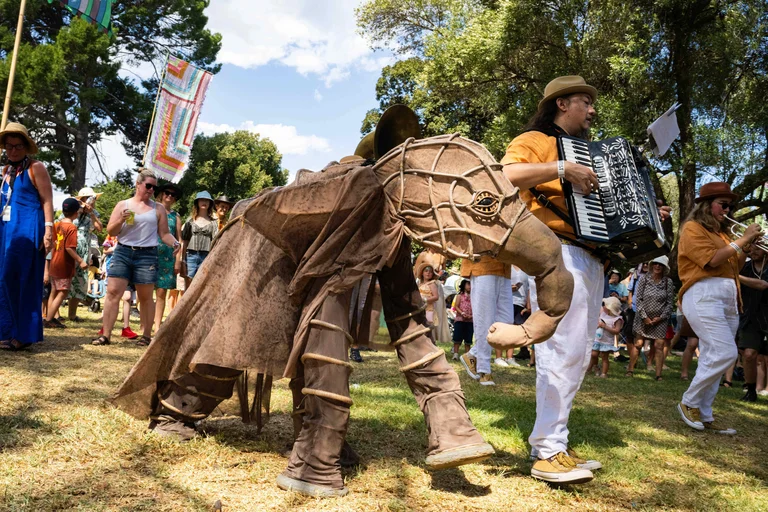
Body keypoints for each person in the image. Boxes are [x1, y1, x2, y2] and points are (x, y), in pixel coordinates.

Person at [501, 75, 671, 483]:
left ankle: (555, 441)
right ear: (562, 104)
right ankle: (546, 451)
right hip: (557, 251)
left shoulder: (594, 154)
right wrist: (562, 167)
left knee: (576, 352)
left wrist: (648, 214)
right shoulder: (536, 139)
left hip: (593, 258)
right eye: (585, 102)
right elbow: (504, 175)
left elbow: (612, 212)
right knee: (561, 349)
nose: (593, 111)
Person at [676, 182, 763, 435]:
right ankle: (688, 402)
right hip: (704, 293)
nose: (729, 209)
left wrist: (745, 247)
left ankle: (705, 415)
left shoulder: (725, 235)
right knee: (725, 353)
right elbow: (712, 260)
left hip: (728, 296)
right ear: (707, 205)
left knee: (714, 355)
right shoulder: (692, 228)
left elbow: (734, 263)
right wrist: (743, 239)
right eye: (723, 204)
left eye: (730, 205)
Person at [92, 169, 180, 347]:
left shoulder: (158, 208)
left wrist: (176, 243)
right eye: (148, 186)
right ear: (138, 184)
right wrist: (121, 220)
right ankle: (106, 335)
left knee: (146, 297)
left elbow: (164, 234)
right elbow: (111, 231)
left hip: (147, 254)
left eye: (154, 188)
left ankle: (146, 336)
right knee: (112, 293)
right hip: (123, 251)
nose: (151, 190)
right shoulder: (123, 205)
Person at [0, 122, 54, 350]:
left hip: (29, 229)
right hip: (6, 232)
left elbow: (47, 200)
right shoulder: (6, 171)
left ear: (26, 147)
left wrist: (49, 229)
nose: (13, 150)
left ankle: (24, 335)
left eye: (18, 146)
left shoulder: (36, 167)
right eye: (9, 146)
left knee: (25, 280)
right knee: (5, 279)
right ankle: (7, 330)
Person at [459, 255, 514, 387]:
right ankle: (484, 370)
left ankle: (473, 354)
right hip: (482, 266)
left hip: (505, 267)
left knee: (507, 321)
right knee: (484, 320)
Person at [627, 256, 674, 380]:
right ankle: (630, 370)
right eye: (656, 264)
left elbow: (670, 303)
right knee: (638, 343)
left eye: (660, 265)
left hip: (660, 320)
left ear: (664, 267)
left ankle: (658, 375)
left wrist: (661, 317)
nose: (658, 266)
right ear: (652, 265)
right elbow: (638, 299)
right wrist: (644, 317)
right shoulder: (644, 279)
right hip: (643, 317)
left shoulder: (668, 282)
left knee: (659, 345)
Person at [44, 198, 87, 328]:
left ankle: (48, 316)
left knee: (54, 291)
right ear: (76, 213)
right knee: (63, 291)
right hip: (64, 264)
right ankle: (49, 319)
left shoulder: (57, 225)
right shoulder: (72, 227)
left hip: (54, 262)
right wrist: (80, 261)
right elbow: (69, 247)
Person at [66, 187, 103, 322]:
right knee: (63, 280)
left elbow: (99, 228)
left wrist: (91, 213)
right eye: (88, 198)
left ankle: (72, 314)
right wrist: (79, 209)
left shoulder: (94, 213)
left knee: (79, 281)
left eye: (92, 199)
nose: (90, 201)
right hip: (69, 248)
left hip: (84, 251)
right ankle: (54, 315)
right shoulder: (72, 209)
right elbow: (61, 223)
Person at [736, 244, 768, 402]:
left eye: (758, 248)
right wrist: (743, 249)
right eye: (751, 248)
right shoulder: (745, 267)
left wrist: (736, 276)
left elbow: (763, 285)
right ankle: (750, 390)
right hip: (750, 317)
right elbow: (735, 267)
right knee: (749, 355)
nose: (753, 252)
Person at [153, 183, 183, 333]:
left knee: (161, 292)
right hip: (149, 254)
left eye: (173, 195)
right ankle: (146, 324)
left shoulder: (176, 217)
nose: (169, 196)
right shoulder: (151, 209)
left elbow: (179, 240)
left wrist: (178, 260)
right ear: (161, 194)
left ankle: (157, 326)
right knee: (144, 290)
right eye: (167, 193)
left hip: (167, 257)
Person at [495, 266, 529, 367]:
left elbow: (528, 288)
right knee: (502, 329)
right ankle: (498, 357)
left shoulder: (526, 269)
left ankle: (510, 357)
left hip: (520, 303)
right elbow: (498, 285)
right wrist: (509, 289)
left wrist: (528, 305)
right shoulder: (507, 267)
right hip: (506, 301)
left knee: (514, 331)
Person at [181, 191, 217, 288]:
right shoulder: (190, 221)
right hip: (190, 256)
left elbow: (215, 243)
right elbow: (184, 241)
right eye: (201, 200)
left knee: (202, 286)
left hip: (206, 257)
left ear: (210, 203)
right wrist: (183, 260)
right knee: (188, 286)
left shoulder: (214, 223)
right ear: (197, 202)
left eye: (206, 200)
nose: (204, 202)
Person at [587, 297, 623, 377]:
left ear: (610, 309)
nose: (603, 307)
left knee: (604, 357)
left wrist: (605, 326)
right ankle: (593, 367)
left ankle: (604, 373)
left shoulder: (617, 319)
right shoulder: (603, 314)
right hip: (597, 339)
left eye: (605, 306)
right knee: (593, 354)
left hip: (606, 341)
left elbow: (617, 331)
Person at [451, 279, 473, 360]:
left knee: (468, 338)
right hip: (460, 319)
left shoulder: (474, 296)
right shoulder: (459, 296)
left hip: (470, 320)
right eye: (468, 284)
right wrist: (462, 313)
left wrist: (471, 315)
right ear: (464, 285)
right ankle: (456, 354)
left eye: (471, 284)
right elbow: (456, 306)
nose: (470, 286)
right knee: (457, 337)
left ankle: (467, 355)